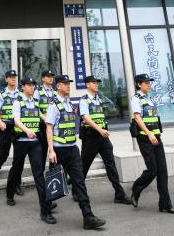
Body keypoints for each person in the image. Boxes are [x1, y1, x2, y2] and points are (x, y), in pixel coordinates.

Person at [46, 74, 107, 230]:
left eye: (69, 83)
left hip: (73, 149)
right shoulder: (53, 104)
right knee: (54, 182)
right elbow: (49, 128)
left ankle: (88, 217)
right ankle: (45, 210)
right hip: (58, 151)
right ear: (58, 86)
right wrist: (51, 150)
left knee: (79, 182)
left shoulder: (69, 104)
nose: (68, 86)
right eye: (65, 84)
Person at [8, 77, 57, 224]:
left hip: (35, 143)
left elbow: (42, 116)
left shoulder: (35, 102)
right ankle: (10, 193)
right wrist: (27, 130)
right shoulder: (18, 101)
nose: (32, 87)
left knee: (39, 174)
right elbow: (16, 120)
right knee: (17, 169)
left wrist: (51, 121)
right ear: (23, 87)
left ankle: (45, 209)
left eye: (33, 85)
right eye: (29, 85)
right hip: (21, 142)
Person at [129, 73, 174, 214]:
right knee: (152, 170)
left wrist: (155, 134)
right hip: (145, 139)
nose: (148, 85)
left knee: (162, 171)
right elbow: (138, 119)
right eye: (145, 83)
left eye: (149, 83)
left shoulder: (149, 99)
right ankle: (136, 189)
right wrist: (149, 134)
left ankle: (165, 204)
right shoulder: (136, 99)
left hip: (156, 138)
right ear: (139, 84)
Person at [79, 75, 131, 205]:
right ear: (87, 85)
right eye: (94, 82)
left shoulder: (99, 99)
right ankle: (76, 189)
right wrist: (99, 130)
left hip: (103, 138)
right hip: (91, 137)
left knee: (111, 165)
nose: (96, 84)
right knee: (84, 166)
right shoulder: (84, 100)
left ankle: (119, 194)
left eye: (97, 82)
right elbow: (86, 118)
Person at [0, 69, 23, 195]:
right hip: (5, 126)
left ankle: (17, 184)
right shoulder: (2, 93)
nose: (14, 78)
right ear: (6, 79)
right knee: (3, 152)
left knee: (19, 157)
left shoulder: (20, 93)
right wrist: (0, 122)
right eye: (11, 77)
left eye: (15, 77)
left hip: (17, 127)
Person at [35, 69, 56, 169]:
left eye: (51, 76)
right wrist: (44, 118)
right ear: (43, 78)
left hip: (54, 125)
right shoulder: (38, 91)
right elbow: (35, 107)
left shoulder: (55, 91)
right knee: (43, 150)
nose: (50, 78)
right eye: (48, 76)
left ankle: (53, 173)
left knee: (54, 148)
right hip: (43, 125)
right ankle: (41, 172)